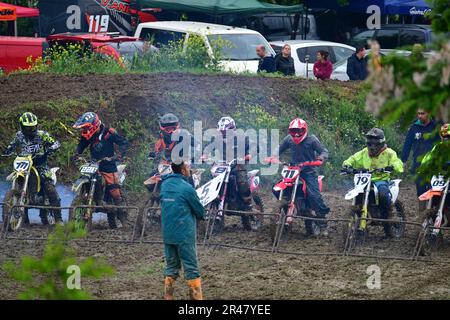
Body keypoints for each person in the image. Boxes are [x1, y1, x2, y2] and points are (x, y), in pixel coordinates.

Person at [267, 118, 330, 235]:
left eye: (299, 131)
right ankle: (285, 206)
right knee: (276, 187)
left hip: (308, 171)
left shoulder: (312, 140)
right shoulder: (289, 139)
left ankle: (322, 223)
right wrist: (273, 156)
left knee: (315, 196)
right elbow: (279, 148)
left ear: (304, 130)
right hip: (293, 169)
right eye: (293, 131)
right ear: (290, 131)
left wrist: (320, 158)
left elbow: (324, 151)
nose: (296, 134)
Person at [3, 112, 62, 224]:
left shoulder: (42, 135)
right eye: (28, 128)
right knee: (18, 183)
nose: (31, 130)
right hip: (24, 164)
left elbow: (56, 143)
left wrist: (50, 149)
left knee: (49, 187)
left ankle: (58, 219)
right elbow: (12, 145)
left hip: (40, 165)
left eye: (33, 127)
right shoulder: (19, 135)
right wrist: (8, 150)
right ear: (22, 127)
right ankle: (23, 219)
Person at [72, 112, 129, 227]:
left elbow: (123, 143)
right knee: (86, 178)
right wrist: (76, 154)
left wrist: (118, 156)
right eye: (84, 128)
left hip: (108, 164)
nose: (85, 130)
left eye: (86, 127)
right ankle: (91, 199)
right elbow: (81, 145)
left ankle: (122, 218)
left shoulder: (109, 133)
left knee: (114, 190)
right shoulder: (87, 135)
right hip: (94, 163)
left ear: (94, 125)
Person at [342, 128, 404, 233]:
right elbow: (352, 159)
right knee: (357, 193)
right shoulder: (363, 152)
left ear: (381, 143)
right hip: (365, 180)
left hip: (381, 180)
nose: (372, 147)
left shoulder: (389, 153)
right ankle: (360, 217)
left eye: (375, 143)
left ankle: (389, 214)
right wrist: (347, 166)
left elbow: (398, 162)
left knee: (383, 194)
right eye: (370, 143)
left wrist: (392, 166)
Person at [160, 161, 205, 300]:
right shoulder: (187, 188)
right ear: (183, 170)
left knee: (171, 266)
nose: (189, 170)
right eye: (188, 167)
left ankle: (168, 296)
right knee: (191, 267)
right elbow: (200, 212)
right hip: (184, 233)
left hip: (168, 233)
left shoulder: (164, 185)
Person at [203, 116, 253, 212]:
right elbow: (208, 148)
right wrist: (204, 155)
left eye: (225, 132)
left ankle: (247, 202)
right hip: (222, 165)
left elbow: (253, 147)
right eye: (222, 132)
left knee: (241, 180)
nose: (223, 134)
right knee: (212, 178)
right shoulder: (217, 139)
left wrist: (249, 154)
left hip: (238, 165)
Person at [147, 113, 200, 190]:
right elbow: (158, 146)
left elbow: (197, 144)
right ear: (163, 129)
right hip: (168, 163)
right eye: (168, 129)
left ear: (177, 127)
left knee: (188, 179)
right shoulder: (162, 136)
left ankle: (192, 194)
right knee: (152, 178)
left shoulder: (184, 134)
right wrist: (153, 153)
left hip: (184, 161)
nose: (171, 132)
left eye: (173, 128)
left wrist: (199, 154)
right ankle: (158, 195)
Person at [401, 109, 440, 210]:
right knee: (420, 189)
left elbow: (442, 144)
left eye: (422, 114)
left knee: (435, 188)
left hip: (433, 165)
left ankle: (435, 211)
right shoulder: (414, 128)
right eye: (418, 113)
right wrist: (404, 160)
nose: (420, 116)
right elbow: (407, 144)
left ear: (428, 114)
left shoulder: (435, 127)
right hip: (418, 165)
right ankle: (422, 213)